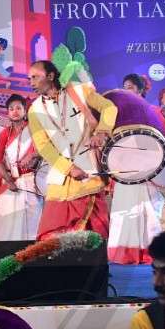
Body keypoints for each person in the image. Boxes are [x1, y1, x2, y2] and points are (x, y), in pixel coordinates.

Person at [27, 60, 116, 239]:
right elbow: (43, 146)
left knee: (94, 233)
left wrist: (101, 132)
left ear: (50, 76)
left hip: (88, 173)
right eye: (29, 79)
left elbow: (109, 108)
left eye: (35, 77)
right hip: (60, 178)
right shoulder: (34, 110)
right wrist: (68, 168)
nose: (31, 82)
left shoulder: (78, 91)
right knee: (51, 234)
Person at [106, 77, 165, 264]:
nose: (125, 91)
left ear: (140, 91)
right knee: (124, 209)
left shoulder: (152, 111)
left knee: (149, 209)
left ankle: (150, 251)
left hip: (147, 169)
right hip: (124, 170)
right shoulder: (116, 114)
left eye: (130, 88)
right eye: (124, 87)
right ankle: (124, 253)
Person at [0, 94, 42, 256]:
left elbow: (43, 150)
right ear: (7, 112)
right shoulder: (5, 134)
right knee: (5, 216)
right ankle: (6, 254)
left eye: (18, 108)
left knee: (33, 217)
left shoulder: (35, 129)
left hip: (32, 181)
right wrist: (8, 180)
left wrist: (33, 156)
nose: (15, 112)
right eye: (11, 109)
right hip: (11, 182)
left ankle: (33, 252)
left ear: (25, 111)